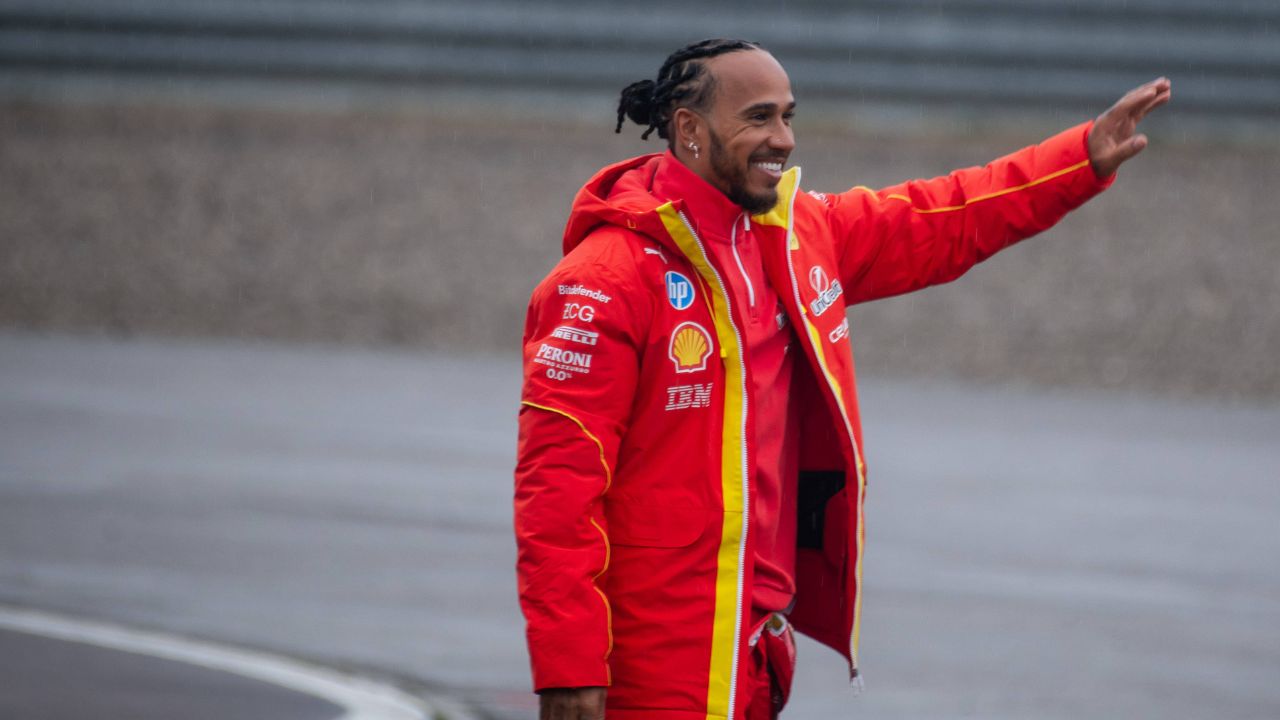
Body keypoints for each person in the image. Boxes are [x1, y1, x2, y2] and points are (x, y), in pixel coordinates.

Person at [513, 38, 1170, 720]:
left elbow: (945, 215)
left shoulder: (798, 234)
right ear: (689, 129)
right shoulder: (603, 280)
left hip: (758, 655)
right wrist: (569, 666)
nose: (784, 139)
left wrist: (1079, 159)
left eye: (787, 116)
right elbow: (557, 493)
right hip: (652, 663)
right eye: (759, 117)